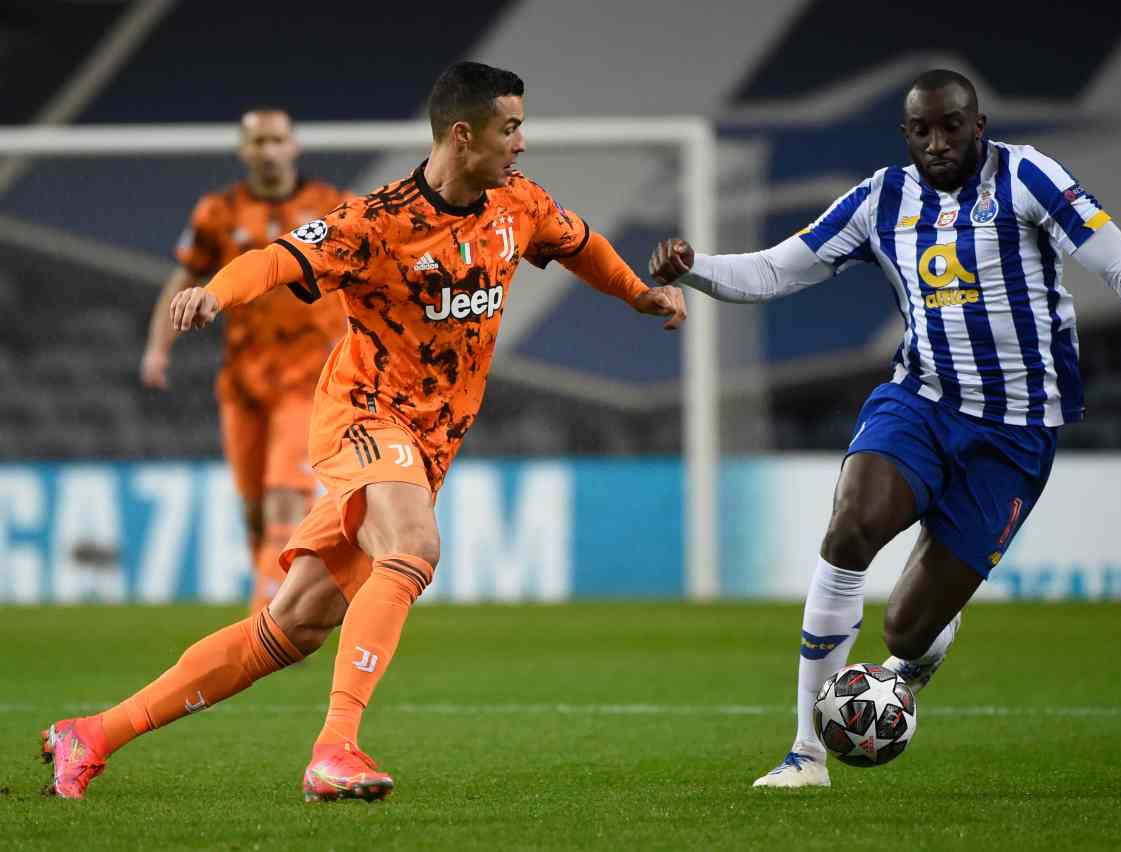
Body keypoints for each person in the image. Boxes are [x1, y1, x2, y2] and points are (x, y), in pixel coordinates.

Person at [43, 61, 686, 802]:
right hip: (365, 415)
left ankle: (91, 734)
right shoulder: (376, 222)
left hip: (431, 442)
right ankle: (334, 749)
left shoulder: (519, 203)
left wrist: (640, 295)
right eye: (510, 128)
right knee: (412, 547)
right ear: (463, 134)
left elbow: (582, 246)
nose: (522, 143)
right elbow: (278, 258)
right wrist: (213, 295)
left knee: (290, 629)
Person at [649, 68, 1121, 789]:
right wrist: (696, 267)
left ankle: (923, 644)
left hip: (1015, 435)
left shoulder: (1030, 178)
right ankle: (806, 753)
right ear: (906, 134)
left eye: (952, 126)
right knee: (850, 529)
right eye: (923, 129)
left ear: (978, 125)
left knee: (904, 631)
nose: (938, 141)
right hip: (920, 401)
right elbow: (777, 271)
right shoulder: (881, 198)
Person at [141, 108, 348, 614]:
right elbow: (184, 277)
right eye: (258, 142)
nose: (269, 151)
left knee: (285, 496)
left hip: (309, 375)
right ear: (244, 151)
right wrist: (158, 347)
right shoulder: (218, 212)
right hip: (242, 379)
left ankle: (269, 618)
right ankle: (277, 603)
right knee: (255, 509)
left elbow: (360, 277)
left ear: (294, 146)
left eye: (277, 140)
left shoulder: (330, 207)